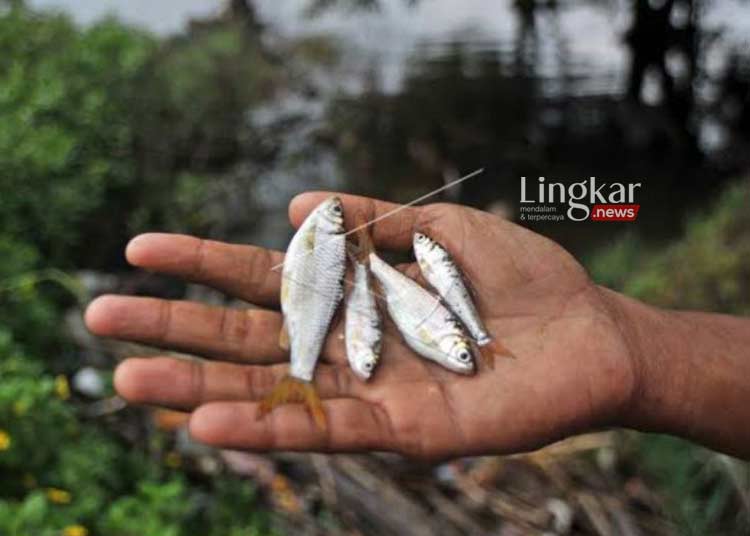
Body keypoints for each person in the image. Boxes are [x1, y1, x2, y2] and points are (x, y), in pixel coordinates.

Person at [84, 192, 750, 460]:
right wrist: (638, 348)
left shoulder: (349, 254)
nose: (334, 221)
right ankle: (303, 375)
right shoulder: (339, 248)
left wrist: (629, 346)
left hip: (387, 299)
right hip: (366, 302)